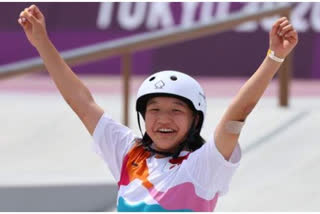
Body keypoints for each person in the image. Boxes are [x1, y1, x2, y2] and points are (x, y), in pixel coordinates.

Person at [18, 4, 298, 212]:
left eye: (176, 110)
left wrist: (274, 57)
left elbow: (238, 114)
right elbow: (81, 102)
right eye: (154, 110)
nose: (163, 119)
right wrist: (42, 42)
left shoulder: (203, 166)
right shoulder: (128, 152)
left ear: (195, 120)